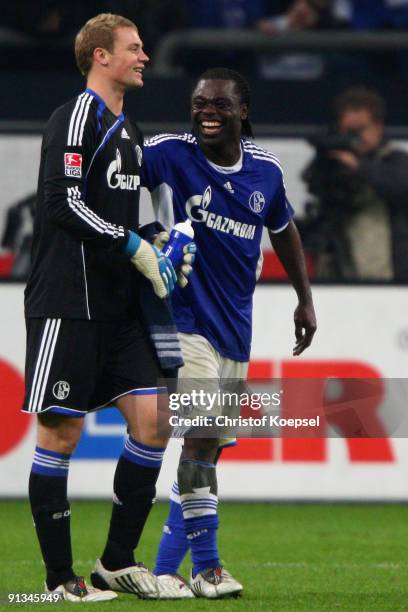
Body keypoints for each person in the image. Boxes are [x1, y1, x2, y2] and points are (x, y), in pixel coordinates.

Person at [21, 13, 193, 602]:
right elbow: (61, 203)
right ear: (101, 56)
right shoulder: (74, 118)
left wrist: (158, 239)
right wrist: (133, 244)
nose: (145, 56)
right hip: (67, 303)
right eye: (135, 48)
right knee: (60, 434)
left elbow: (119, 219)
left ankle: (116, 563)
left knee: (154, 423)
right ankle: (58, 580)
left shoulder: (129, 128)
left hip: (121, 309)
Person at [141, 67, 317, 598]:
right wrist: (145, 234)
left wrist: (304, 298)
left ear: (243, 111)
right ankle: (192, 568)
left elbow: (284, 231)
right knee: (198, 433)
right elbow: (113, 179)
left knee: (209, 448)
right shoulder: (168, 152)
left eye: (218, 105)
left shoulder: (265, 171)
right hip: (182, 318)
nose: (206, 113)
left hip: (234, 327)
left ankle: (187, 570)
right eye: (199, 104)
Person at [303, 87, 408, 281]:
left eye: (361, 130)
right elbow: (312, 183)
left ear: (378, 126)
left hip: (390, 276)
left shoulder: (395, 160)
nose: (355, 138)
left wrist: (359, 166)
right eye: (349, 131)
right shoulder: (334, 164)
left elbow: (400, 186)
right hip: (342, 270)